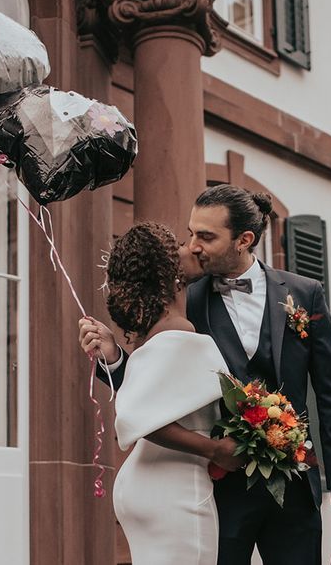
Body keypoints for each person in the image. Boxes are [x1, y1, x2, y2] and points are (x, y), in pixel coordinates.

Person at [81, 185, 331, 565]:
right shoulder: (183, 299)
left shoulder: (304, 294)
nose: (194, 246)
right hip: (220, 487)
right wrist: (114, 358)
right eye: (191, 232)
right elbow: (152, 392)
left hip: (294, 484)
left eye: (207, 236)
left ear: (244, 240)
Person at [79, 222, 244, 565]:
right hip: (177, 488)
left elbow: (150, 398)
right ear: (169, 272)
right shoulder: (183, 336)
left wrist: (112, 357)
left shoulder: (153, 337)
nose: (193, 248)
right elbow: (134, 416)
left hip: (146, 484)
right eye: (182, 245)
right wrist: (215, 449)